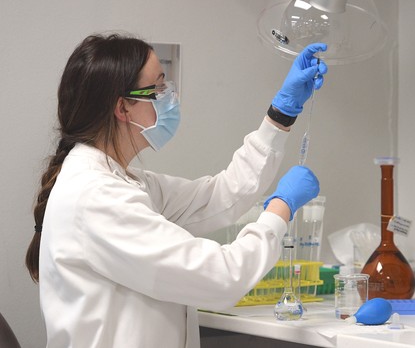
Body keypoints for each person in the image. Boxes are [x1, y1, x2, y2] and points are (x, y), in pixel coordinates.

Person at [24, 33, 328, 348]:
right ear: (123, 108)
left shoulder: (124, 183)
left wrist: (281, 115)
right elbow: (222, 278)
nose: (170, 96)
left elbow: (221, 196)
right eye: (158, 87)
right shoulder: (96, 197)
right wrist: (280, 209)